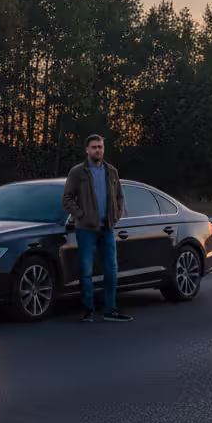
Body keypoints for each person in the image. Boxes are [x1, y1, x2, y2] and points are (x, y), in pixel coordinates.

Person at [62, 134, 132, 322]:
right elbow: (67, 198)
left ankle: (110, 309)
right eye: (94, 147)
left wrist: (115, 215)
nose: (97, 150)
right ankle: (88, 310)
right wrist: (82, 216)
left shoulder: (112, 172)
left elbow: (119, 197)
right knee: (86, 270)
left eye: (100, 147)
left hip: (107, 228)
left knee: (111, 270)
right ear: (87, 150)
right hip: (86, 229)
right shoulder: (78, 172)